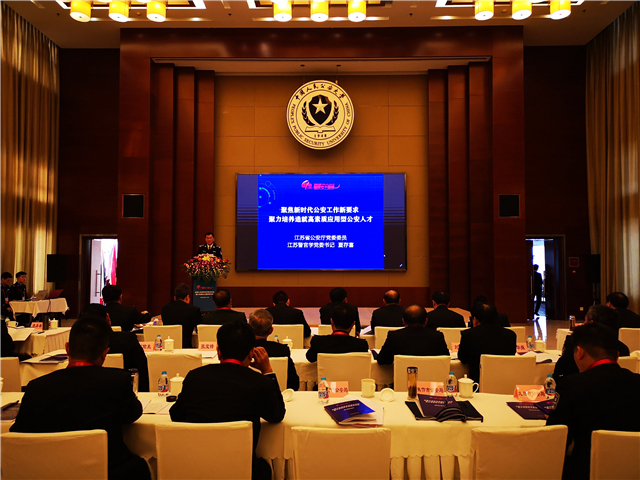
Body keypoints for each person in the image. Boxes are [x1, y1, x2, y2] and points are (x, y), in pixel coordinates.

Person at [11, 315, 151, 480]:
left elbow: (18, 436)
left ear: (67, 349)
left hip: (47, 473)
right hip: (108, 471)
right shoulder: (117, 382)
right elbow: (133, 414)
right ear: (105, 353)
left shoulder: (36, 388)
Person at [170, 320, 285, 480]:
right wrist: (267, 371)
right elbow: (276, 415)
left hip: (195, 467)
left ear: (218, 350)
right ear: (251, 353)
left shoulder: (195, 377)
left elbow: (176, 415)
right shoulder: (260, 382)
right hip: (244, 470)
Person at [547, 323, 640, 480]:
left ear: (580, 352)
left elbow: (556, 436)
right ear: (617, 355)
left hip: (585, 470)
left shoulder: (572, 385)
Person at [80, 303, 150, 392]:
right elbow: (142, 373)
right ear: (108, 317)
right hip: (124, 393)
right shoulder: (128, 340)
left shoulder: (80, 345)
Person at [553, 305, 629, 382]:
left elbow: (560, 373)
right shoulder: (623, 349)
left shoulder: (577, 345)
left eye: (585, 321)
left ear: (591, 323)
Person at [457, 303, 517, 383]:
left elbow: (463, 359)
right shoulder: (510, 335)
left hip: (477, 384)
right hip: (506, 381)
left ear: (475, 320)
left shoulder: (468, 335)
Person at [376, 304, 449, 365]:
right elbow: (446, 360)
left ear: (403, 321)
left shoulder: (394, 336)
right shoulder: (437, 336)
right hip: (432, 377)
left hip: (402, 378)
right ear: (426, 321)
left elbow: (382, 360)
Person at [249, 309, 300, 391]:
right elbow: (294, 383)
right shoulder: (282, 350)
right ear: (271, 330)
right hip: (278, 392)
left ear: (249, 328)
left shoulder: (241, 349)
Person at [161, 284, 201, 348]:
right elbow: (199, 329)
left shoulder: (165, 309)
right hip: (186, 347)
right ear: (187, 297)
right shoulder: (194, 310)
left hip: (169, 346)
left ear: (175, 298)